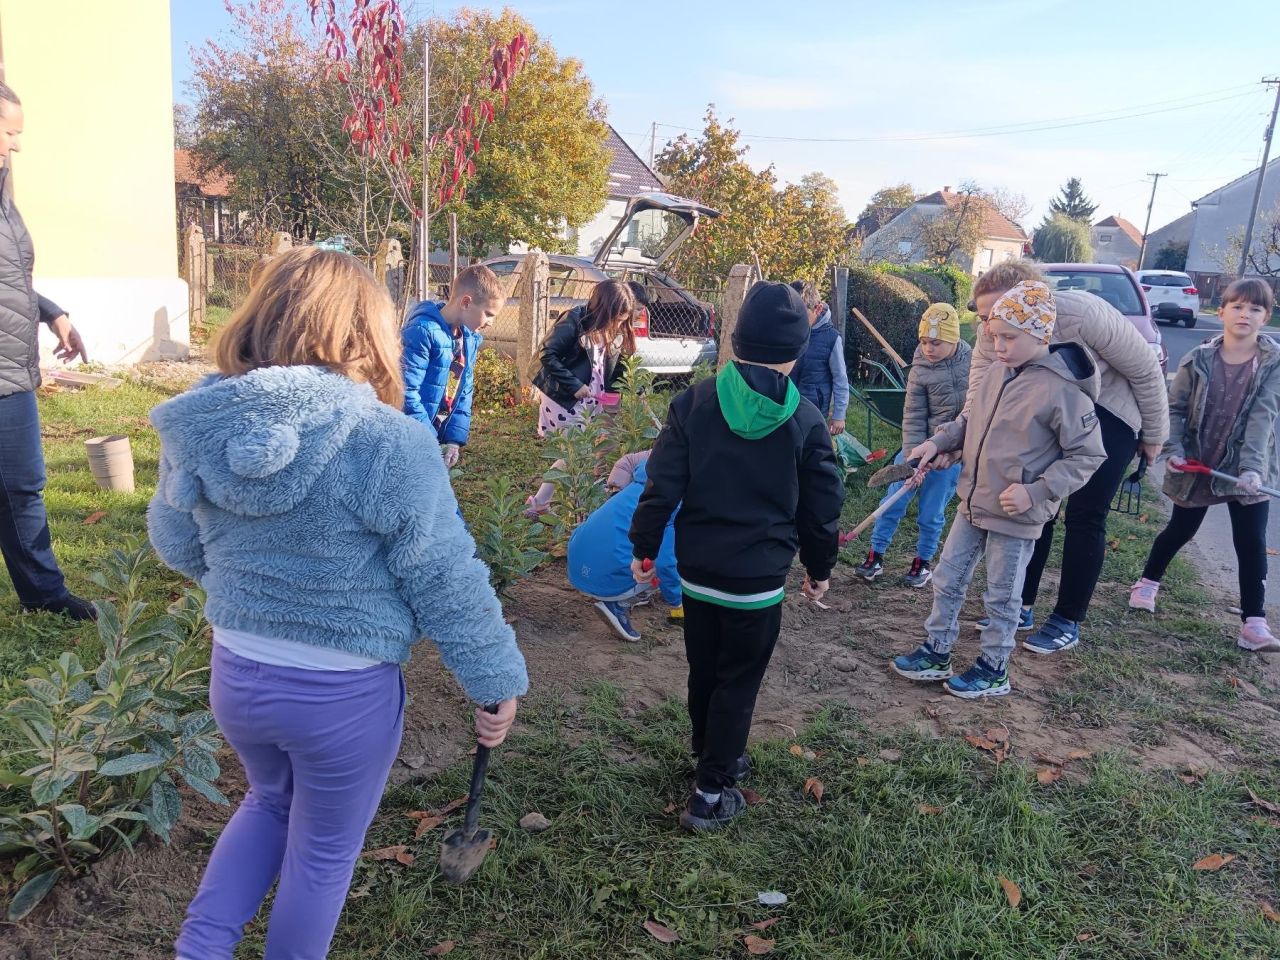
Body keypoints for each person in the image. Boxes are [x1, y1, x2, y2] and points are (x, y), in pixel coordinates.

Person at [149, 248, 528, 960]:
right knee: (322, 855)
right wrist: (495, 679)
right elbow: (445, 577)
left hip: (237, 674)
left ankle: (197, 950)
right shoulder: (386, 441)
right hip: (341, 696)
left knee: (265, 802)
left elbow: (178, 546)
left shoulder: (199, 426)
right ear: (366, 333)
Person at [629, 281, 844, 831]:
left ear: (733, 339)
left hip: (699, 572)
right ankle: (710, 789)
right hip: (757, 582)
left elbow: (661, 484)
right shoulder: (807, 421)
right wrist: (819, 569)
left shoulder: (693, 402)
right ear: (797, 353)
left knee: (706, 669)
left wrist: (644, 547)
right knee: (739, 682)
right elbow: (821, 509)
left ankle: (709, 751)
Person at [892, 281, 1105, 699]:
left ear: (1041, 334)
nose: (999, 345)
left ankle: (994, 667)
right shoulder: (995, 373)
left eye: (1009, 337)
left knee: (1003, 595)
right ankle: (938, 649)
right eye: (994, 336)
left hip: (1015, 513)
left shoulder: (1064, 392)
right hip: (973, 501)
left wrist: (1037, 491)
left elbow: (1088, 456)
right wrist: (940, 442)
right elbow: (970, 422)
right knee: (948, 577)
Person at [965, 261, 1168, 652]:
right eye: (986, 317)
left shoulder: (1082, 314)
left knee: (1084, 513)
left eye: (997, 315)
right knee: (1034, 501)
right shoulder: (991, 331)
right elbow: (980, 390)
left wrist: (1154, 435)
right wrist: (965, 437)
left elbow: (1144, 369)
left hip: (1109, 407)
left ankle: (1067, 618)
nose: (990, 327)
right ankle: (1020, 603)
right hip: (1046, 409)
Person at [1130, 278, 1280, 652]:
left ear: (1266, 317)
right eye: (1238, 306)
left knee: (1251, 542)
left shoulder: (1273, 365)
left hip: (1248, 470)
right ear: (1223, 310)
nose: (1245, 314)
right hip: (1200, 461)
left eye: (1255, 309)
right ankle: (1147, 583)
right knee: (1181, 528)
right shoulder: (1197, 358)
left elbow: (1263, 417)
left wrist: (1252, 470)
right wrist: (1175, 448)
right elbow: (1175, 407)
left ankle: (1254, 623)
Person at [0, 82, 94, 620]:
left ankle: (43, 594)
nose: (18, 145)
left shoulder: (4, 199)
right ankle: (46, 595)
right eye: (11, 132)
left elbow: (10, 281)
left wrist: (51, 311)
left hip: (12, 369)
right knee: (20, 486)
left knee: (20, 487)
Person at [858, 303, 972, 588]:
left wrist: (953, 451)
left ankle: (922, 563)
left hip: (950, 455)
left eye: (936, 342)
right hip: (918, 448)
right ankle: (875, 555)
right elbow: (913, 415)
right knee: (892, 501)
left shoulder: (974, 363)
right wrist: (912, 460)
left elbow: (975, 413)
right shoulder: (920, 368)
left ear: (954, 339)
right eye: (923, 342)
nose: (928, 348)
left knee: (931, 512)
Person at [567, 450, 681, 642]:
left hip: (576, 567)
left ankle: (637, 591)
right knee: (658, 553)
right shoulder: (668, 507)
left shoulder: (637, 487)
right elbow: (665, 563)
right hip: (603, 580)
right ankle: (619, 603)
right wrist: (678, 603)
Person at [401, 264, 505, 468]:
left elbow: (464, 390)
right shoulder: (422, 331)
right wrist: (428, 439)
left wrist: (453, 440)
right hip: (411, 437)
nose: (491, 322)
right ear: (466, 302)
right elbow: (405, 392)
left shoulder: (468, 339)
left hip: (434, 440)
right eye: (488, 314)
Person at [529, 279, 636, 439]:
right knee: (571, 450)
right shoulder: (574, 319)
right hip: (566, 396)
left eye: (622, 320)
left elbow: (616, 364)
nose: (619, 325)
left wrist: (632, 388)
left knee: (585, 447)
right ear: (603, 311)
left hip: (592, 397)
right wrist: (574, 385)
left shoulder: (615, 330)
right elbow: (547, 353)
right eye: (616, 319)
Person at [788, 280, 850, 436]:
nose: (796, 319)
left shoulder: (831, 339)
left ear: (818, 308)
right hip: (786, 404)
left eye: (801, 314)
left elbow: (840, 378)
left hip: (813, 408)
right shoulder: (788, 331)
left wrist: (839, 415)